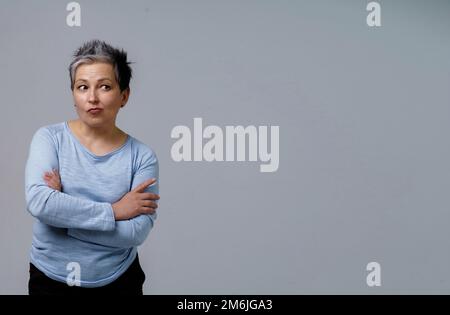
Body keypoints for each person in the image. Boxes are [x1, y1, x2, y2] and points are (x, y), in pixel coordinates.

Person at [24, 39, 160, 295]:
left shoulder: (142, 156)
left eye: (105, 86)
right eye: (82, 87)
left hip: (119, 280)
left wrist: (63, 219)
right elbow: (40, 203)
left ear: (124, 95)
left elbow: (135, 232)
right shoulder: (49, 138)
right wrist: (115, 211)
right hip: (50, 278)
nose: (92, 98)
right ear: (73, 94)